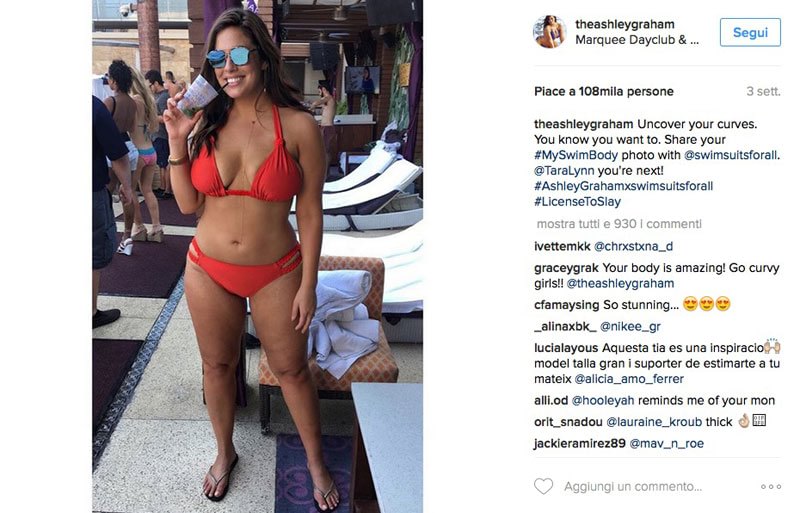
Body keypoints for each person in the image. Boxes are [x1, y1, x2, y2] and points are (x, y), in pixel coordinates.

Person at [162, 8, 336, 510]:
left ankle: (316, 463)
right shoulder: (205, 122)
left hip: (276, 271)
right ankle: (224, 453)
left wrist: (308, 284)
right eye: (218, 58)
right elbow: (188, 205)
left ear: (261, 56)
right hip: (207, 267)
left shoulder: (299, 126)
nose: (228, 67)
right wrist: (176, 142)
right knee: (216, 365)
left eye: (238, 53)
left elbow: (311, 212)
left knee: (292, 370)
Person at [93, 95, 134, 328]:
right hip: (91, 190)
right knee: (92, 251)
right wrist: (126, 186)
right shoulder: (94, 106)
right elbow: (117, 154)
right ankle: (90, 311)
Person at [104, 60, 140, 254]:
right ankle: (127, 236)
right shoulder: (133, 103)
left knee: (105, 192)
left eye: (109, 78)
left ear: (115, 80)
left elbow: (100, 127)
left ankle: (104, 232)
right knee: (129, 192)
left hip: (113, 149)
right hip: (130, 147)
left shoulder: (111, 101)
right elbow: (132, 128)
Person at [129, 67, 164, 242]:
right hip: (150, 150)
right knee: (147, 190)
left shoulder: (133, 101)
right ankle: (157, 228)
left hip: (138, 151)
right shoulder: (148, 99)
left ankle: (139, 226)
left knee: (130, 191)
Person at [145, 70, 174, 199]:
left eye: (150, 85)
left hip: (162, 135)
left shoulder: (163, 97)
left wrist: (152, 117)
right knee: (161, 164)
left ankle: (166, 189)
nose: (149, 88)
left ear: (156, 83)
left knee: (164, 164)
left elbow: (166, 117)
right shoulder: (158, 96)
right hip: (157, 134)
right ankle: (163, 187)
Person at [310, 80, 337, 169]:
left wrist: (311, 107)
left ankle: (325, 170)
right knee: (324, 150)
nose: (319, 93)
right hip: (325, 127)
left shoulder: (329, 98)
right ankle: (325, 170)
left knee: (325, 150)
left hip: (327, 128)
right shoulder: (327, 100)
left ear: (323, 89)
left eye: (319, 91)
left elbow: (315, 103)